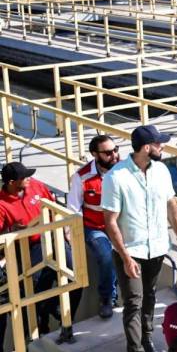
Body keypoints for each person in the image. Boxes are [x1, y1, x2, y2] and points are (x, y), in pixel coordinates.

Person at [101, 125, 177, 352]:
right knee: (133, 303)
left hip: (157, 248)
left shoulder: (161, 170)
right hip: (130, 251)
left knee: (149, 296)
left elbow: (171, 203)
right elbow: (110, 222)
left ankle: (147, 339)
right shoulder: (115, 177)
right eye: (159, 143)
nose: (163, 146)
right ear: (146, 147)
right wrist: (126, 257)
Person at [0, 162, 83, 346]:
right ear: (12, 182)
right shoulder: (2, 203)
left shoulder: (36, 185)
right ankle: (37, 331)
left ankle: (64, 318)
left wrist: (64, 232)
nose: (29, 178)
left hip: (54, 238)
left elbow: (53, 207)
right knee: (33, 292)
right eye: (25, 177)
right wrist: (11, 230)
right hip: (29, 249)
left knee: (76, 278)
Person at [67, 135, 120, 319]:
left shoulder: (125, 170)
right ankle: (107, 298)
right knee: (106, 256)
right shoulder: (81, 177)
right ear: (94, 154)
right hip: (95, 227)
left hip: (120, 224)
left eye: (115, 150)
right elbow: (73, 208)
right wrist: (70, 233)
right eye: (107, 153)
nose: (114, 155)